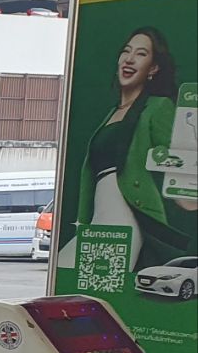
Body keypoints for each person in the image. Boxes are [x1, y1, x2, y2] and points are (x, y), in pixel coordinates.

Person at [61, 26, 196, 272]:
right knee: (73, 276)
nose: (130, 58)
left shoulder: (157, 108)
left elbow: (177, 163)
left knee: (96, 279)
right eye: (127, 51)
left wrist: (188, 192)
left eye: (141, 54)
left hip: (124, 220)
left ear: (153, 69)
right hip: (98, 221)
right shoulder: (112, 113)